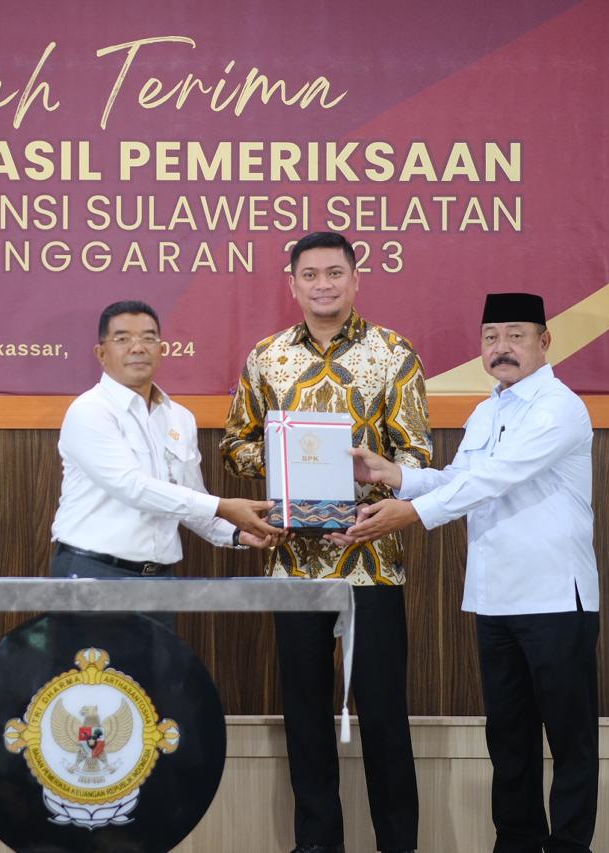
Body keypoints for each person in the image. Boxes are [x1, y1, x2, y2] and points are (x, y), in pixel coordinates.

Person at [347, 292, 599, 853]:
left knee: (570, 739)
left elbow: (493, 479)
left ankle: (569, 846)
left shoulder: (559, 407)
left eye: (515, 335)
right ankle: (516, 842)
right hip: (494, 599)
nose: (501, 347)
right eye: (490, 337)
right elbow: (459, 478)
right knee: (508, 739)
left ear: (544, 341)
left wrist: (412, 513)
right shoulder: (487, 411)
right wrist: (395, 476)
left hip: (556, 599)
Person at [221, 232, 429, 853]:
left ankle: (400, 845)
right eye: (309, 275)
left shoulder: (394, 353)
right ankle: (316, 845)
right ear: (292, 284)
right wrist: (286, 458)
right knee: (305, 717)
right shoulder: (267, 357)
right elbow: (233, 447)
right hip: (292, 563)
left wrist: (373, 479)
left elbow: (417, 455)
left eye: (335, 272)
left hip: (372, 557)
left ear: (355, 278)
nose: (323, 285)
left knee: (385, 715)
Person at [50, 300, 283, 616]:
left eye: (148, 338)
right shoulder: (89, 411)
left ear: (161, 349)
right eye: (122, 338)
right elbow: (133, 488)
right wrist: (223, 506)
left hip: (160, 580)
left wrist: (238, 533)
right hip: (93, 572)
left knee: (157, 654)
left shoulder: (179, 418)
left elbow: (189, 499)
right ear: (101, 353)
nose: (137, 347)